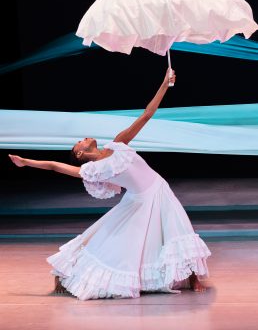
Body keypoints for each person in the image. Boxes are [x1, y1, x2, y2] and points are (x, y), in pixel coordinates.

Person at [9, 69, 211, 300]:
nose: (82, 138)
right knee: (126, 244)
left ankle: (195, 276)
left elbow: (147, 114)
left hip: (159, 188)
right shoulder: (92, 171)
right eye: (79, 142)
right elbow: (55, 166)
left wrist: (165, 84)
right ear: (81, 153)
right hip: (139, 201)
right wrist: (25, 162)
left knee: (179, 228)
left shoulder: (117, 144)